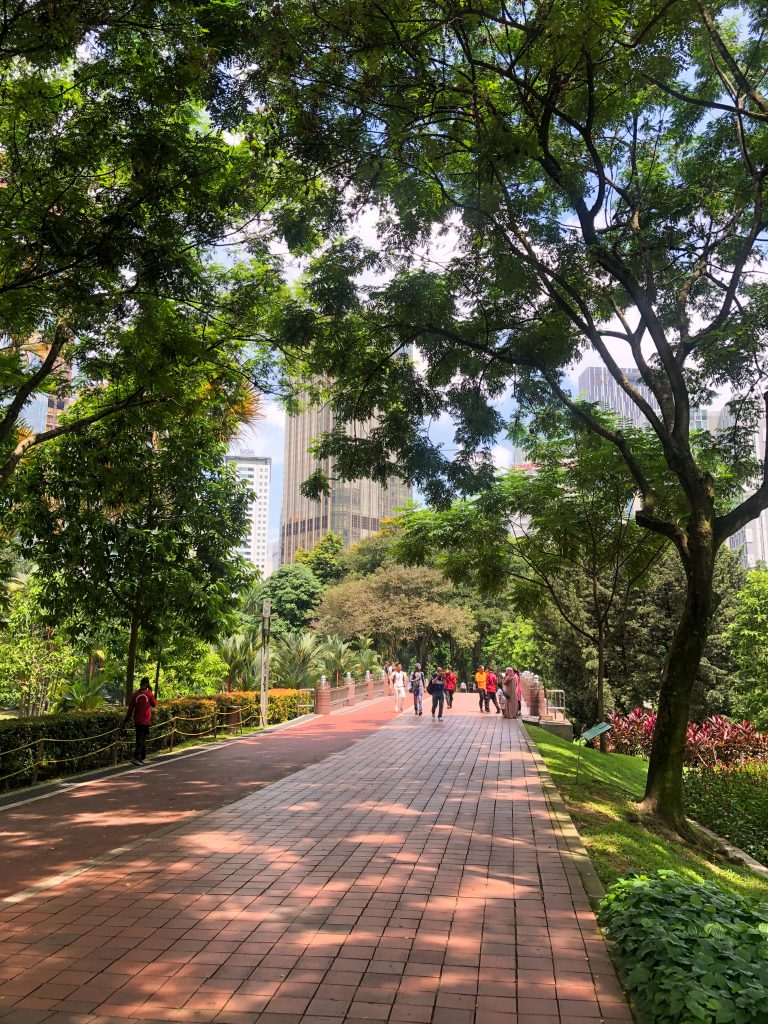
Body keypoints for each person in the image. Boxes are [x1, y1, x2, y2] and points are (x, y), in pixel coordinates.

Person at [124, 676, 157, 766]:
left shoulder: (135, 695)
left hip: (137, 720)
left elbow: (130, 709)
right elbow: (154, 704)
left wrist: (126, 720)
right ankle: (136, 757)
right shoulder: (149, 694)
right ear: (146, 684)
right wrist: (151, 692)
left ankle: (142, 756)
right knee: (141, 739)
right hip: (145, 720)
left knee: (140, 738)